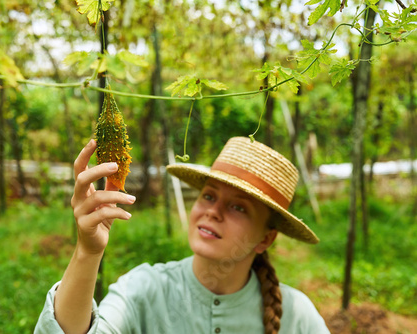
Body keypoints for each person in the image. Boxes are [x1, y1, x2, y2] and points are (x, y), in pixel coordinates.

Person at [34, 136, 330, 334]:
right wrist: (88, 251)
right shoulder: (144, 291)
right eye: (209, 196)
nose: (213, 212)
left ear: (266, 239)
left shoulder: (297, 316)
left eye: (239, 207)